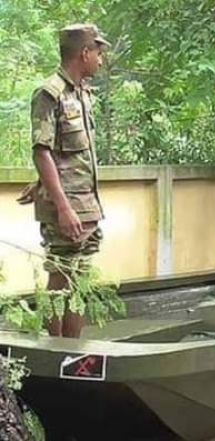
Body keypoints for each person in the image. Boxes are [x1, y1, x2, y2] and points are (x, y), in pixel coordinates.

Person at [18, 24, 111, 338]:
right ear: (84, 52)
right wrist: (62, 206)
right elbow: (41, 150)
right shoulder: (49, 93)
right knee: (60, 284)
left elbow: (62, 154)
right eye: (98, 52)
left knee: (80, 283)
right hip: (68, 209)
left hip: (87, 205)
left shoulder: (82, 93)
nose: (101, 59)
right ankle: (54, 357)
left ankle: (74, 355)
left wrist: (40, 182)